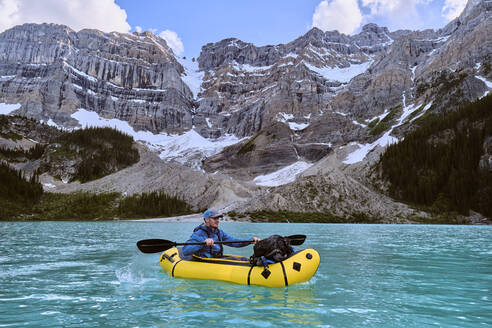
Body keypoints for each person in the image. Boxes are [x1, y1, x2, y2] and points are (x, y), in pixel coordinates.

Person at [182, 208, 260, 258]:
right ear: (207, 219)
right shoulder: (199, 234)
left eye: (218, 218)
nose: (218, 220)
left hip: (217, 259)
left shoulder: (219, 233)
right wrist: (203, 243)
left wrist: (250, 240)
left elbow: (234, 242)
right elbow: (185, 251)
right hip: (205, 262)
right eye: (215, 218)